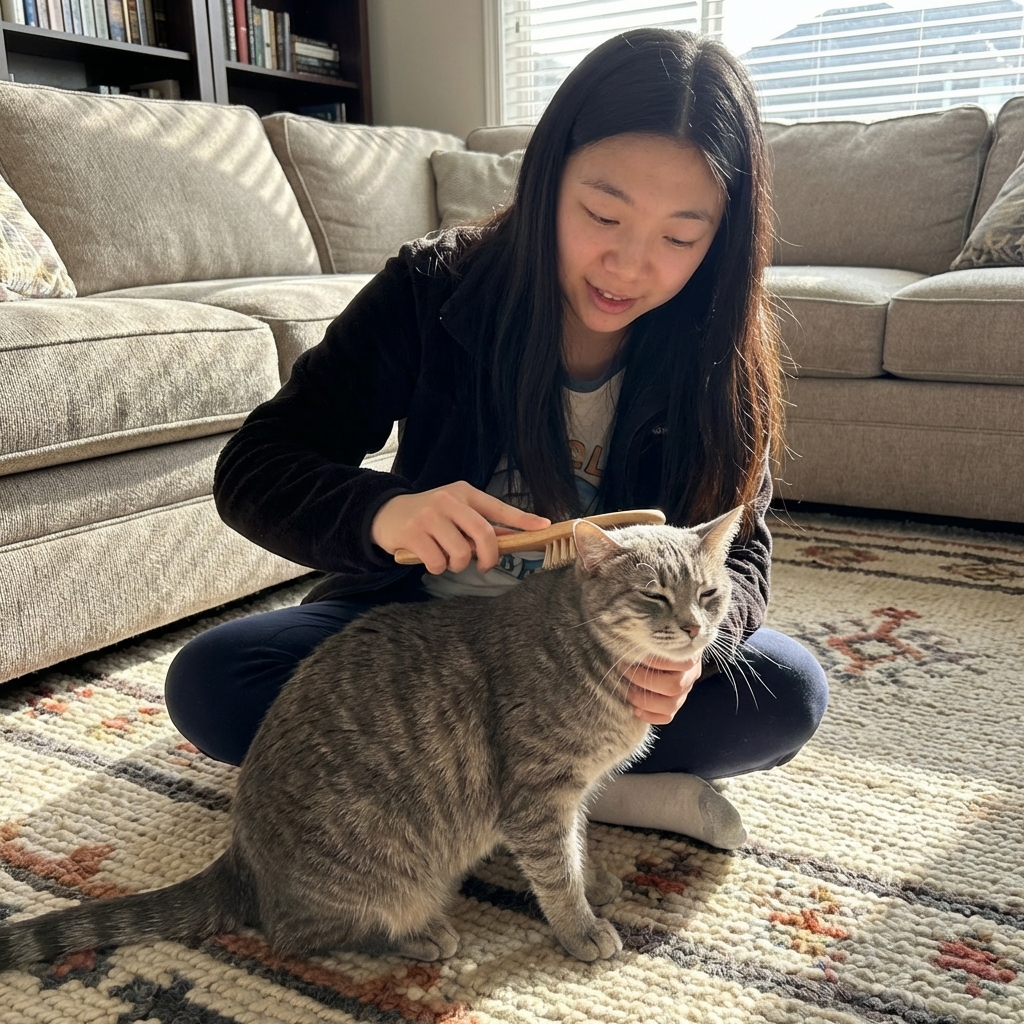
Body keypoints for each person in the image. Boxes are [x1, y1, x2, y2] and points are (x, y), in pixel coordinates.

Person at [165, 28, 828, 850]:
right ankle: (578, 795)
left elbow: (745, 551)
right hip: (432, 653)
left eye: (679, 238)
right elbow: (256, 468)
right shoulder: (432, 289)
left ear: (721, 240)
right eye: (601, 213)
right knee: (215, 683)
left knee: (788, 694)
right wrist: (387, 514)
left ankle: (528, 794)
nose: (626, 265)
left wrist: (695, 655)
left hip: (602, 665)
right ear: (548, 177)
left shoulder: (722, 352)